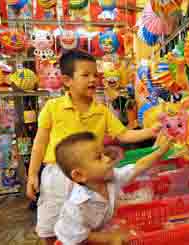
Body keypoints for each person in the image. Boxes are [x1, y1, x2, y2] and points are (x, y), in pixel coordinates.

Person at [26, 50, 160, 245]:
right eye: (85, 75)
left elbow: (123, 134)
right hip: (56, 176)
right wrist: (32, 174)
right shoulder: (52, 107)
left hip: (90, 178)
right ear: (67, 80)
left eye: (95, 75)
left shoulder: (102, 111)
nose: (93, 79)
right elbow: (40, 143)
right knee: (52, 223)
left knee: (87, 224)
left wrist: (150, 131)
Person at [54, 132, 171, 245]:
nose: (107, 159)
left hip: (96, 229)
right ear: (80, 175)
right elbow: (78, 236)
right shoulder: (77, 205)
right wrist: (110, 238)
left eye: (104, 154)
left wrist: (159, 153)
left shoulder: (111, 178)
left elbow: (137, 167)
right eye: (99, 157)